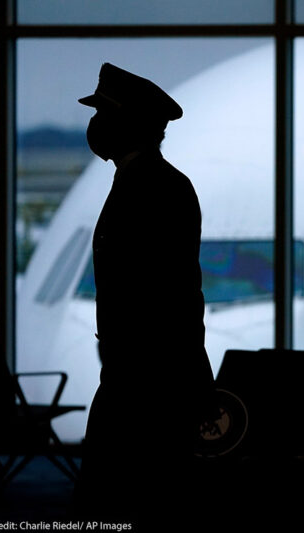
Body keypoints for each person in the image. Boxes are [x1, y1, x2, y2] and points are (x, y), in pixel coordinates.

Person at [74, 63, 216, 527]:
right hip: (135, 371)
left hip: (148, 376)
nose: (97, 125)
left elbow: (173, 293)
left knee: (126, 499)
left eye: (105, 113)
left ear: (130, 122)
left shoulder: (156, 188)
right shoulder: (143, 182)